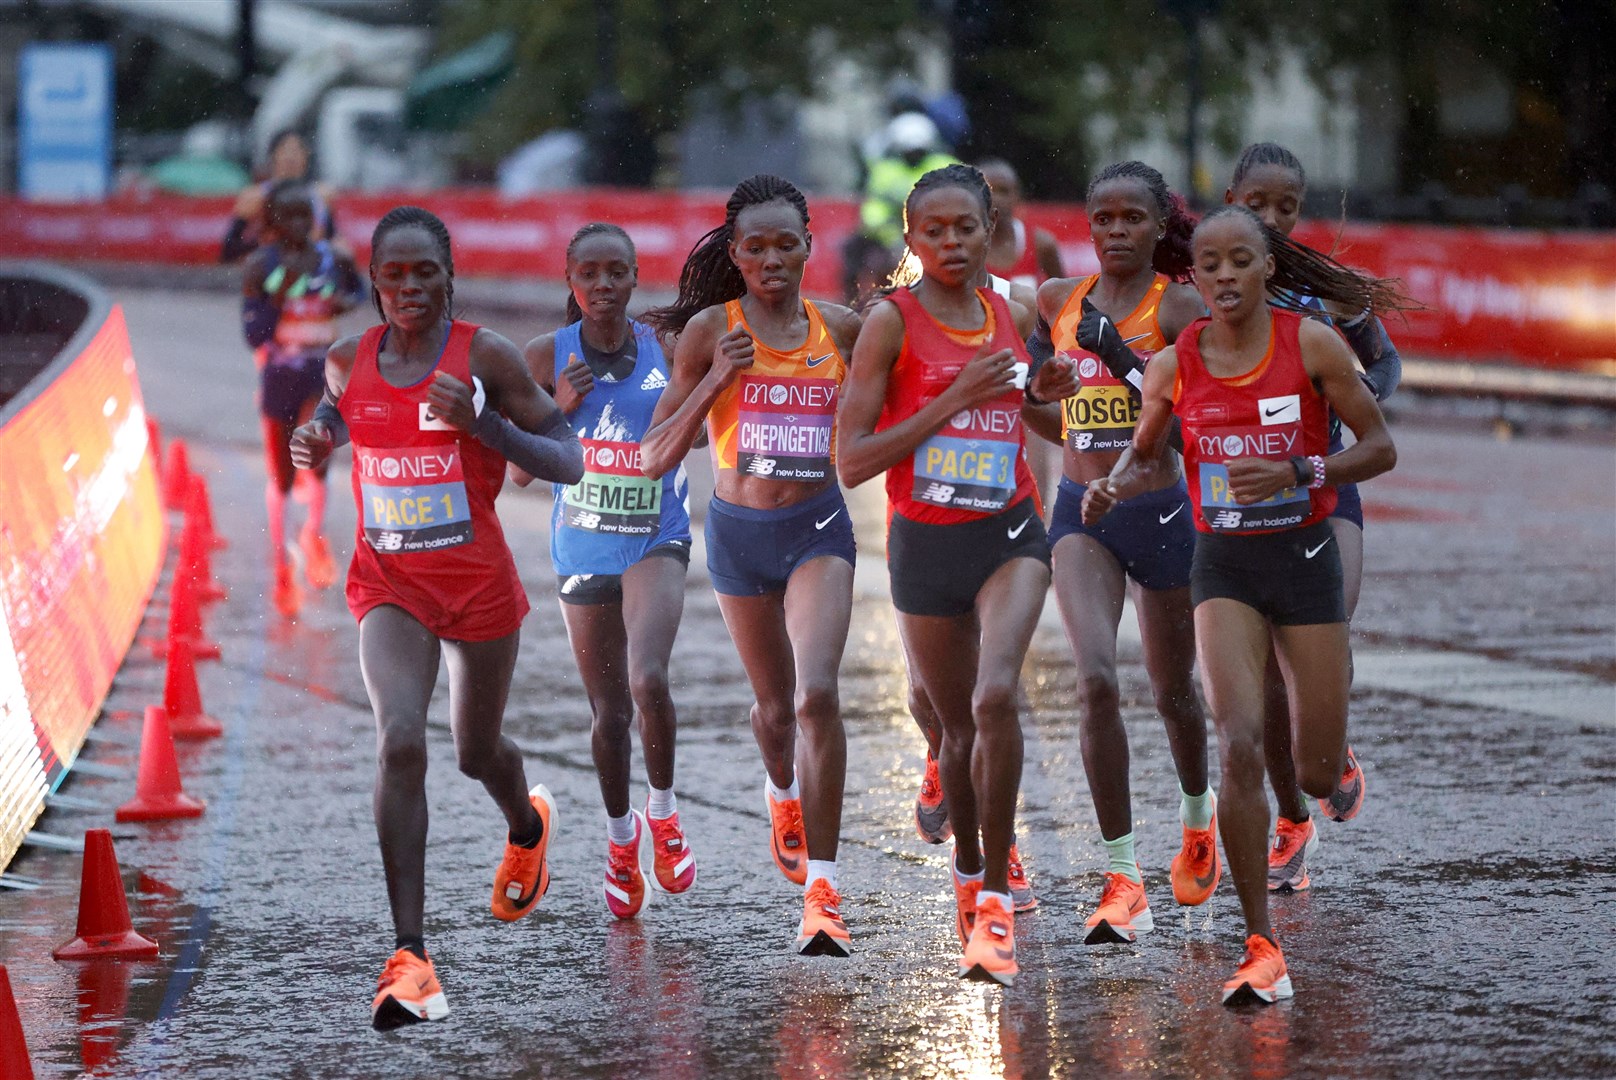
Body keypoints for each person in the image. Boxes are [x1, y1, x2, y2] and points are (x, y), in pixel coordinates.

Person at [1082, 204, 1400, 1004]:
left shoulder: (1312, 344)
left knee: (1314, 765)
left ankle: (1321, 780)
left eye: (1239, 263)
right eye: (1211, 265)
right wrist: (1115, 483)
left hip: (1303, 561)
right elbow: (1144, 445)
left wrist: (1299, 474)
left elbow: (1379, 446)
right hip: (1221, 565)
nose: (1223, 277)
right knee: (1239, 740)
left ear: (1266, 270)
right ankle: (1260, 942)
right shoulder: (1176, 362)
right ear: (1198, 275)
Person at [289, 206, 585, 1030]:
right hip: (390, 584)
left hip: (479, 585)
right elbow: (343, 412)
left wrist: (481, 423)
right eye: (395, 274)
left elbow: (565, 455)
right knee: (401, 741)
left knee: (474, 750)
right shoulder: (349, 358)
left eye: (426, 273)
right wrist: (316, 436)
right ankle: (411, 958)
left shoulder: (482, 355)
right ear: (375, 281)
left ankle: (527, 823)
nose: (410, 288)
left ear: (448, 277)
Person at [837, 164, 1078, 987]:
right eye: (931, 231)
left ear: (989, 231)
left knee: (995, 696)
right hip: (925, 547)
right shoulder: (890, 326)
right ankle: (974, 872)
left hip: (1011, 534)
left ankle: (1001, 900)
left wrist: (1045, 392)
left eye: (963, 229)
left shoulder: (1011, 313)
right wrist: (949, 399)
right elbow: (852, 458)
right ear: (910, 241)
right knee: (957, 729)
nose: (949, 243)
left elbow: (1032, 413)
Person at [641, 175, 863, 957]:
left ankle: (824, 894)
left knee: (817, 697)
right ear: (735, 255)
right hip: (737, 533)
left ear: (809, 246)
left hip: (819, 528)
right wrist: (715, 378)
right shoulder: (711, 329)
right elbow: (654, 453)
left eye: (786, 244)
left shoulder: (841, 329)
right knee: (774, 712)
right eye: (755, 247)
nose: (771, 258)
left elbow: (890, 413)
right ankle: (782, 792)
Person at [1024, 161, 1216, 944]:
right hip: (1081, 516)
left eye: (1131, 218)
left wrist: (1129, 364)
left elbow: (1199, 423)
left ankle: (1199, 819)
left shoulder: (1178, 308)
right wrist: (1047, 388)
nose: (1113, 233)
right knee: (1095, 680)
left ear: (1157, 225)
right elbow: (1037, 407)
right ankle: (1123, 875)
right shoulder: (1057, 301)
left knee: (1174, 693)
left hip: (1162, 511)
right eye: (1101, 218)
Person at [1224, 142, 1404, 892]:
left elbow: (1387, 366)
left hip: (1326, 488)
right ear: (1232, 198)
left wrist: (1353, 394)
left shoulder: (1328, 288)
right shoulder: (1213, 280)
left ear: (1301, 211)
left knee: (1324, 622)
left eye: (1286, 207)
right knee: (1265, 666)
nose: (1270, 218)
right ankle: (1292, 819)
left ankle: (1331, 736)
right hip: (1245, 499)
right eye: (1256, 203)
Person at [514, 223, 696, 920]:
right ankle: (621, 843)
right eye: (588, 274)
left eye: (615, 272)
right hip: (584, 548)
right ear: (570, 282)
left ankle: (664, 813)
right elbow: (518, 474)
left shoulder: (667, 350)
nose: (602, 286)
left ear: (633, 277)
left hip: (657, 537)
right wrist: (557, 411)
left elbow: (703, 426)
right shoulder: (544, 356)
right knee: (609, 713)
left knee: (649, 678)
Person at [239, 180, 362, 616]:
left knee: (318, 448)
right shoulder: (261, 265)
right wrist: (276, 299)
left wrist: (341, 304)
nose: (298, 224)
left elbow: (357, 292)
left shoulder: (330, 259)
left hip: (319, 370)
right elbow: (252, 333)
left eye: (305, 215)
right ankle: (280, 559)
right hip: (278, 372)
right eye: (288, 216)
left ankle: (313, 532)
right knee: (283, 473)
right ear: (272, 222)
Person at [221, 129, 337, 263]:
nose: (291, 157)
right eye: (285, 150)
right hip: (270, 266)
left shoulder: (321, 195)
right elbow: (229, 250)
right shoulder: (255, 197)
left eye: (296, 150)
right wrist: (266, 244)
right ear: (273, 155)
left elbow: (332, 238)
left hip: (310, 265)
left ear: (306, 155)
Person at [978, 159, 1064, 289]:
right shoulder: (965, 246)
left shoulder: (1041, 244)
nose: (996, 198)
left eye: (1004, 191)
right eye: (988, 190)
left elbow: (1066, 299)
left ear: (1017, 195)